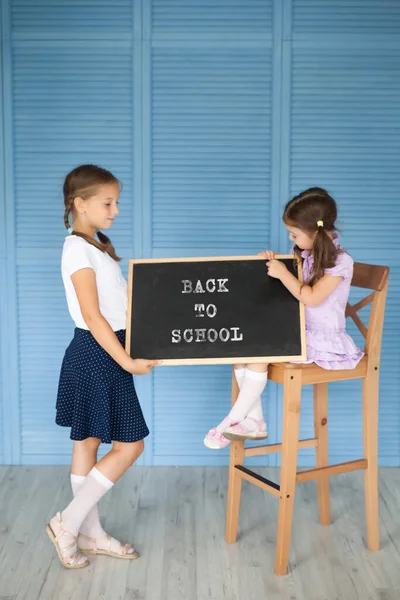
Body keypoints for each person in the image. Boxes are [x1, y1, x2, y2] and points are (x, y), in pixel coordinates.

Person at [46, 164, 160, 568]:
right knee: (131, 444)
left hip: (96, 350)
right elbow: (94, 316)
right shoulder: (77, 249)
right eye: (107, 202)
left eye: (116, 203)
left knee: (88, 443)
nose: (114, 211)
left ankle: (90, 535)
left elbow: (116, 307)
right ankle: (68, 523)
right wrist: (127, 359)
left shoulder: (93, 246)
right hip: (98, 352)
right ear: (80, 203)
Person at [204, 187, 363, 449]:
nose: (291, 238)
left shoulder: (340, 262)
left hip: (324, 342)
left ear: (316, 232)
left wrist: (283, 274)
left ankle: (230, 422)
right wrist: (274, 260)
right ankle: (254, 420)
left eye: (294, 234)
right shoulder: (308, 254)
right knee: (239, 348)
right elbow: (293, 273)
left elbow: (311, 298)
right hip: (298, 332)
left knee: (259, 352)